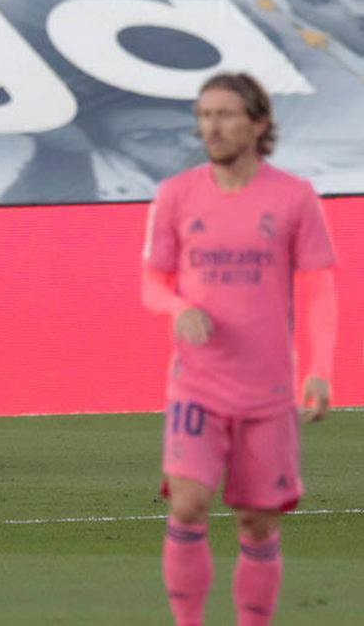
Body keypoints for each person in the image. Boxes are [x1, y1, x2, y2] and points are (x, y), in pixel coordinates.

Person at [143, 72, 337, 626]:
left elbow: (321, 287)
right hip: (196, 386)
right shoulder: (177, 194)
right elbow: (152, 282)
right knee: (187, 505)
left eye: (226, 114)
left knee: (258, 524)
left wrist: (321, 370)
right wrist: (180, 308)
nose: (212, 126)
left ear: (258, 123)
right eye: (205, 115)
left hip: (267, 391)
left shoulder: (293, 196)